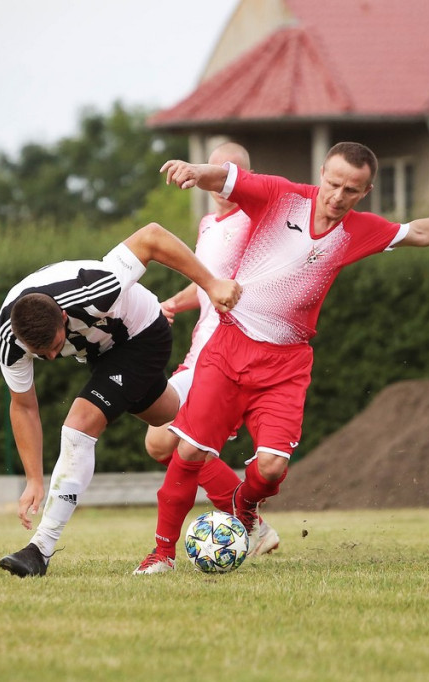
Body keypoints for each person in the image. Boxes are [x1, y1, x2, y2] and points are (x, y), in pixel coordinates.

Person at [133, 141, 429, 574]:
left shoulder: (359, 230)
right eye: (333, 184)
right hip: (228, 347)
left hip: (286, 364)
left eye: (351, 190)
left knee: (273, 467)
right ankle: (162, 554)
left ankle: (244, 504)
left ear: (366, 191)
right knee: (188, 451)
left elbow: (420, 232)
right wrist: (193, 169)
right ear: (321, 173)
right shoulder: (281, 196)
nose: (338, 196)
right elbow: (226, 177)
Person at [0, 222, 241, 577]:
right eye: (40, 353)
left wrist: (212, 285)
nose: (50, 359)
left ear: (64, 317)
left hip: (144, 333)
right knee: (170, 422)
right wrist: (34, 478)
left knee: (79, 425)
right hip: (104, 352)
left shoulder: (97, 287)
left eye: (53, 347)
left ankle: (41, 548)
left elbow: (152, 236)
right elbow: (23, 406)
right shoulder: (9, 340)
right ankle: (223, 406)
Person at [144, 141, 280, 557]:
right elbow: (208, 280)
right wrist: (172, 303)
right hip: (198, 349)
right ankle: (248, 521)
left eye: (234, 171)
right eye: (216, 170)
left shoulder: (257, 219)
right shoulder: (208, 224)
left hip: (228, 354)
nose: (223, 179)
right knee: (158, 442)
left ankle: (242, 520)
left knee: (173, 440)